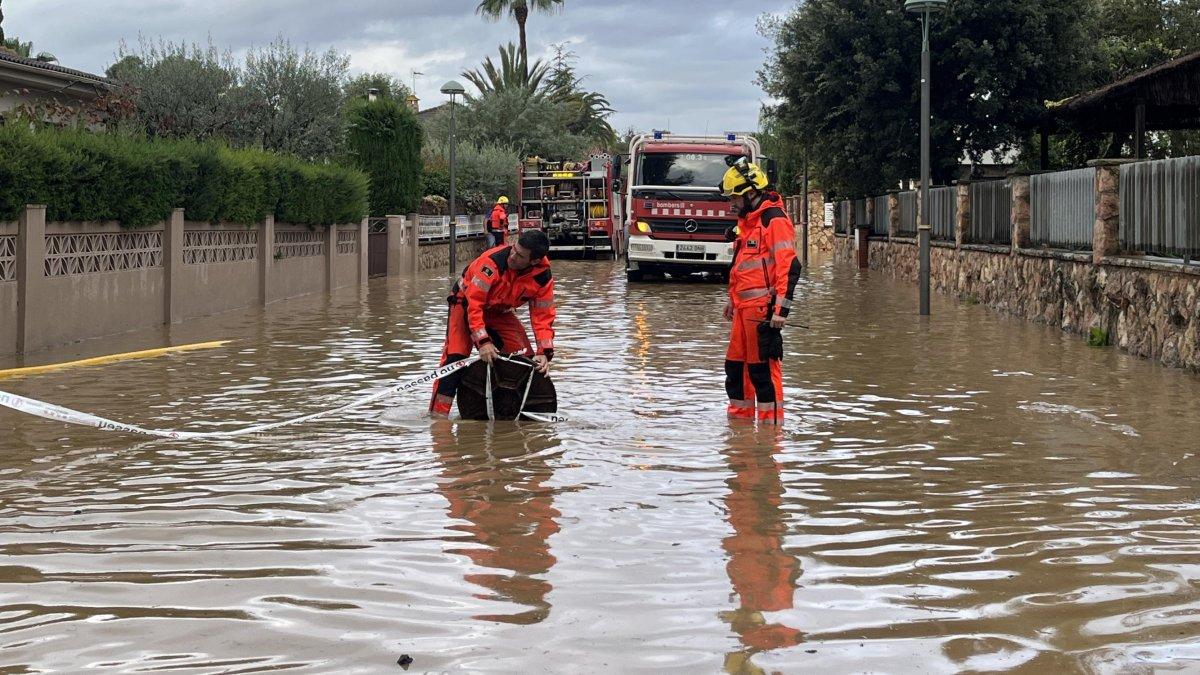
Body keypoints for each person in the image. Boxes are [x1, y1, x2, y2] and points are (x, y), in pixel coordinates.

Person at [430, 229, 556, 417]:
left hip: (499, 311)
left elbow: (542, 315)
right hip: (464, 304)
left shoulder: (542, 277)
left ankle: (522, 415)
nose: (512, 256)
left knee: (525, 360)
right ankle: (438, 420)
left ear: (534, 261)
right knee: (455, 360)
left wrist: (544, 353)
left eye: (520, 255)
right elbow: (475, 304)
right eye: (514, 249)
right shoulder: (493, 262)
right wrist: (483, 342)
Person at [720, 158, 802, 424]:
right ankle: (740, 430)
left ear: (751, 193)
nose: (731, 203)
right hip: (743, 311)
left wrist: (780, 310)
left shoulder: (773, 219)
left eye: (734, 197)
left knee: (763, 372)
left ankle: (770, 434)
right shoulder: (748, 223)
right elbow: (742, 267)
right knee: (735, 369)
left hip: (762, 311)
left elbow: (788, 267)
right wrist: (732, 300)